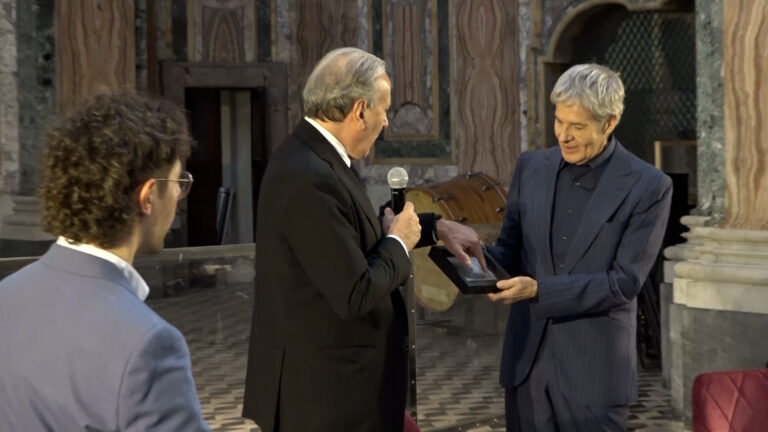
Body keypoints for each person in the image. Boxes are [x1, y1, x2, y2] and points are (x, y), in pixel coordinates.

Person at [242, 47, 483, 432]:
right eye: (383, 110)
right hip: (326, 401)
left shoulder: (315, 157)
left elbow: (351, 235)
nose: (386, 122)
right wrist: (399, 243)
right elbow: (355, 291)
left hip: (337, 392)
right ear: (359, 111)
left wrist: (433, 227)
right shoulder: (308, 175)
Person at [0, 93, 210, 431]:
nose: (179, 197)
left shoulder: (6, 296)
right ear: (147, 197)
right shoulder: (148, 345)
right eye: (178, 183)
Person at [486, 64, 672, 431]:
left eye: (578, 126)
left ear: (610, 122)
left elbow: (623, 282)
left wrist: (539, 291)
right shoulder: (531, 166)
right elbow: (509, 250)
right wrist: (470, 256)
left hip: (594, 377)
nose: (564, 136)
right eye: (559, 121)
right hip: (527, 367)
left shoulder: (649, 186)